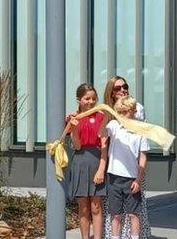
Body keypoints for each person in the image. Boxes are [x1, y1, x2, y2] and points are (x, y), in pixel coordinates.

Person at [102, 76, 150, 239]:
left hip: (133, 171)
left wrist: (138, 177)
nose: (123, 90)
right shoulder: (112, 121)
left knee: (134, 211)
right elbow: (102, 134)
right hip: (115, 173)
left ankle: (136, 235)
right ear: (112, 92)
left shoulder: (138, 114)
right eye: (118, 88)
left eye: (125, 86)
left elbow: (143, 153)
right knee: (115, 212)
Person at [65, 83, 108, 239]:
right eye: (86, 98)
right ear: (79, 99)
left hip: (96, 162)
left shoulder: (102, 117)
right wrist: (74, 128)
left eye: (93, 99)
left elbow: (104, 146)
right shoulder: (73, 118)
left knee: (96, 207)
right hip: (80, 163)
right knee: (83, 208)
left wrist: (101, 170)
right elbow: (76, 145)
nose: (90, 102)